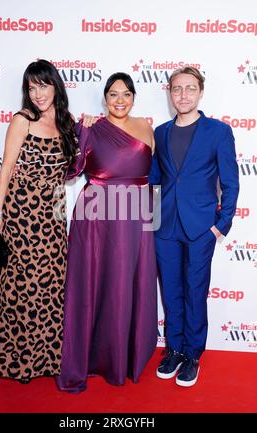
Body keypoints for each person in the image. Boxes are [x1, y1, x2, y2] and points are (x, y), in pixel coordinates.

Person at [0, 59, 79, 383]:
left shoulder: (67, 123)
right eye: (32, 87)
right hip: (20, 217)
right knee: (20, 288)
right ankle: (13, 360)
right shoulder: (22, 121)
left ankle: (46, 359)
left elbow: (73, 168)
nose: (38, 93)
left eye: (43, 85)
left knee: (48, 288)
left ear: (55, 86)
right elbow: (5, 170)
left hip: (53, 218)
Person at [56, 72, 158, 393]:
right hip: (97, 211)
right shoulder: (93, 127)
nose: (119, 100)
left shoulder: (146, 127)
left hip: (136, 211)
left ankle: (126, 356)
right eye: (113, 94)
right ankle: (92, 356)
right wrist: (79, 132)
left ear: (133, 97)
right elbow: (72, 170)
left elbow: (152, 176)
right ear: (104, 99)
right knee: (94, 281)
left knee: (130, 281)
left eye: (126, 94)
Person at [149, 66, 239, 387]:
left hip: (201, 227)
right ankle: (173, 349)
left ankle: (192, 355)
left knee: (194, 291)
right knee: (171, 292)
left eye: (190, 88)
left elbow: (230, 182)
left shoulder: (218, 131)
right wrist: (153, 221)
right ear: (169, 93)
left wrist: (221, 225)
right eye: (177, 89)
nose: (183, 95)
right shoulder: (160, 132)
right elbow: (155, 181)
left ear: (201, 92)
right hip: (166, 227)